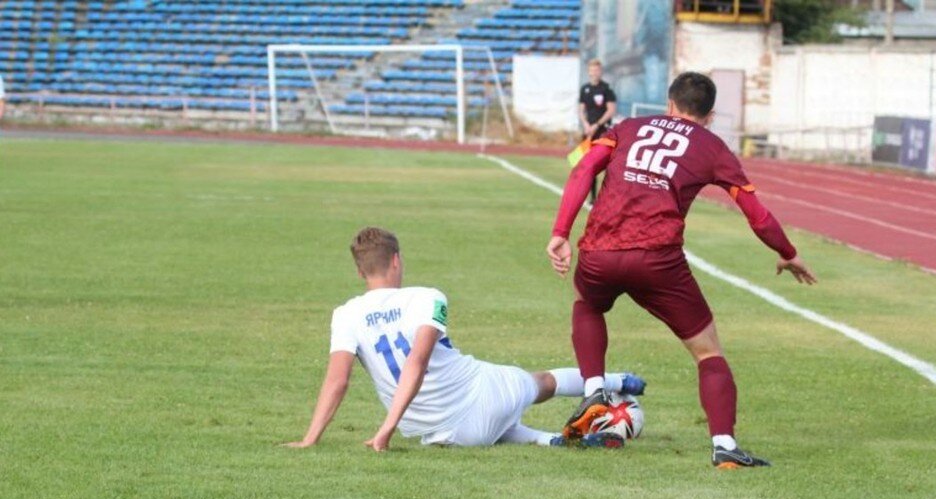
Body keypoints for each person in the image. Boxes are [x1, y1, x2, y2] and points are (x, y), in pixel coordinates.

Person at [546, 72, 817, 469]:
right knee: (708, 352)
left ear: (669, 104)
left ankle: (595, 390)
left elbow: (582, 170)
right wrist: (787, 252)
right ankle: (724, 446)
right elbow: (756, 215)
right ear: (710, 116)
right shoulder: (713, 146)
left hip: (600, 251)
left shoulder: (629, 127)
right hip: (658, 260)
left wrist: (560, 232)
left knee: (587, 304)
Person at [285, 227, 645, 452]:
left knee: (497, 425)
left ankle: (553, 440)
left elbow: (337, 381)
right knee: (540, 383)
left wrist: (310, 438)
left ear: (359, 271)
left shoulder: (345, 314)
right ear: (396, 260)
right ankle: (620, 381)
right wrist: (385, 430)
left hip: (441, 434)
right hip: (482, 395)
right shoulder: (428, 297)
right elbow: (417, 362)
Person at [578, 59, 617, 202]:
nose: (594, 73)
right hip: (588, 133)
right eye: (592, 70)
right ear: (589, 72)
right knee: (586, 164)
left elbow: (611, 110)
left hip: (603, 132)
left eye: (597, 70)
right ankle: (592, 197)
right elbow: (581, 110)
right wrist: (585, 124)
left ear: (601, 72)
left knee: (606, 165)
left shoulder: (606, 89)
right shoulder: (585, 89)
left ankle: (607, 196)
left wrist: (597, 124)